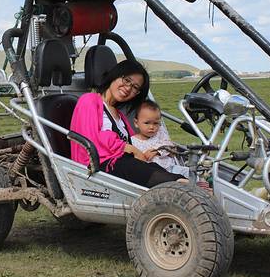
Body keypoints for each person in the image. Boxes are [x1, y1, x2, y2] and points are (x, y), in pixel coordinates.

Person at [70, 60, 187, 188]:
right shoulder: (89, 100)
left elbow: (133, 145)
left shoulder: (120, 115)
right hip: (99, 166)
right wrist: (130, 149)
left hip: (122, 165)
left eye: (135, 87)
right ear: (115, 75)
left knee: (154, 167)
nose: (128, 88)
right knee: (143, 170)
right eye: (126, 80)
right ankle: (183, 187)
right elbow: (91, 139)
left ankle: (186, 186)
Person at [131, 100, 189, 179]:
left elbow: (171, 147)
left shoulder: (160, 133)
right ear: (136, 123)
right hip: (155, 174)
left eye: (155, 123)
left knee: (190, 172)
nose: (151, 127)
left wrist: (157, 151)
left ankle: (202, 184)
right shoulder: (133, 141)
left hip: (171, 168)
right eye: (147, 123)